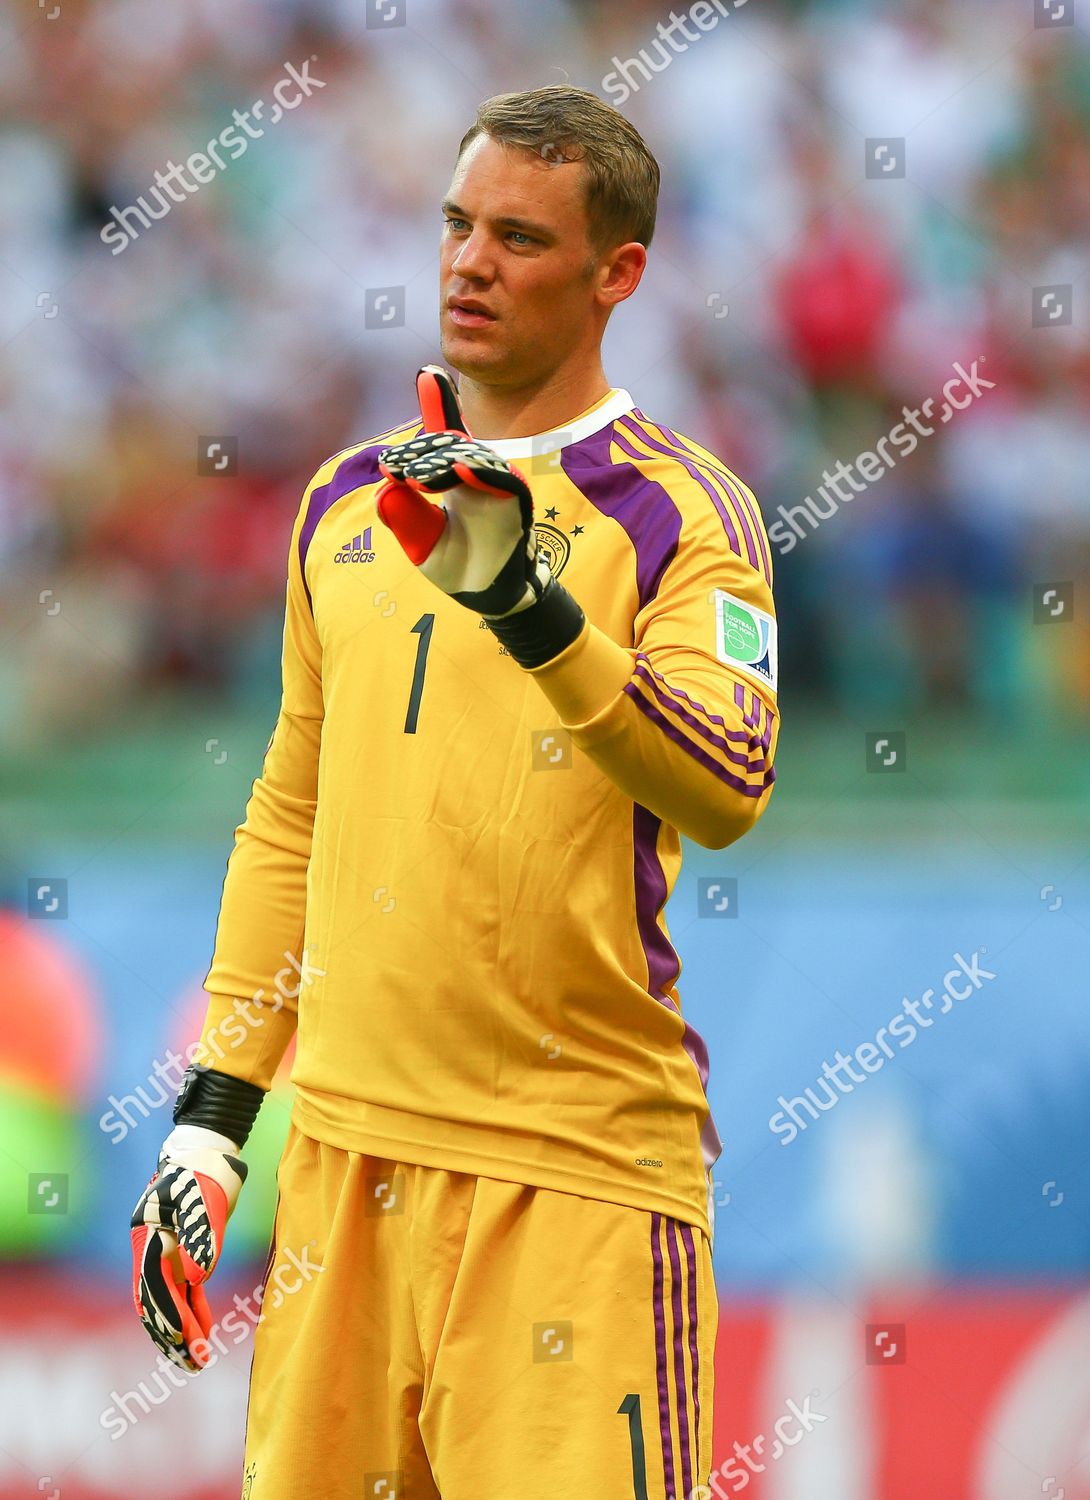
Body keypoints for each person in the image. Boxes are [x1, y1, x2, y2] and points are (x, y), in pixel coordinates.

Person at [130, 84, 780, 1500]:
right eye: (456, 225)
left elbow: (728, 782)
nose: (469, 263)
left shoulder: (678, 513)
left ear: (618, 276)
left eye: (520, 239)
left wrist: (527, 604)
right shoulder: (345, 500)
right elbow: (289, 817)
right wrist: (214, 1120)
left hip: (576, 1185)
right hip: (343, 1181)